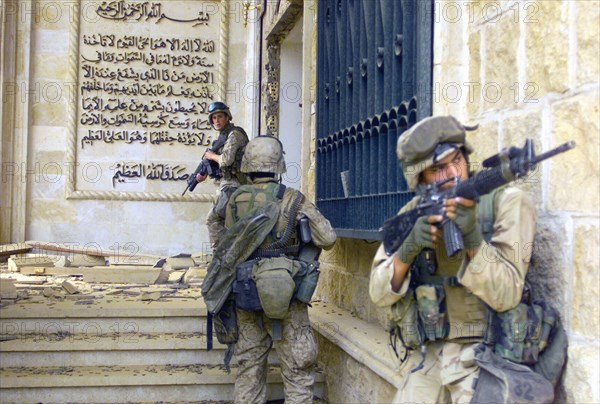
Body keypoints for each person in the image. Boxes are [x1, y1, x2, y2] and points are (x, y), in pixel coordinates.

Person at [369, 116, 537, 402]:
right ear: (419, 179)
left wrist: (472, 237)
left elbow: (508, 293)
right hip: (429, 357)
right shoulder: (411, 213)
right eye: (437, 169)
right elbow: (378, 293)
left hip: (486, 357)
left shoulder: (507, 201)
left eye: (456, 160)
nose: (452, 174)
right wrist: (407, 251)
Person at [225, 135, 337, 403]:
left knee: (249, 369)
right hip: (290, 295)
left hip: (247, 294)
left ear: (248, 166)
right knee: (298, 371)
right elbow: (328, 238)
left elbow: (227, 247)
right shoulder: (294, 200)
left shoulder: (236, 199)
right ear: (279, 165)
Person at [196, 101, 249, 250]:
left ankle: (220, 258)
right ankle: (229, 256)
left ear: (227, 117)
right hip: (225, 185)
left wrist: (212, 156)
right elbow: (220, 167)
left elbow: (226, 161)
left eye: (220, 117)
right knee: (227, 224)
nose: (217, 121)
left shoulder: (235, 134)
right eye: (214, 118)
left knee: (213, 220)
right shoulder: (222, 138)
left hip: (234, 185)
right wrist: (204, 173)